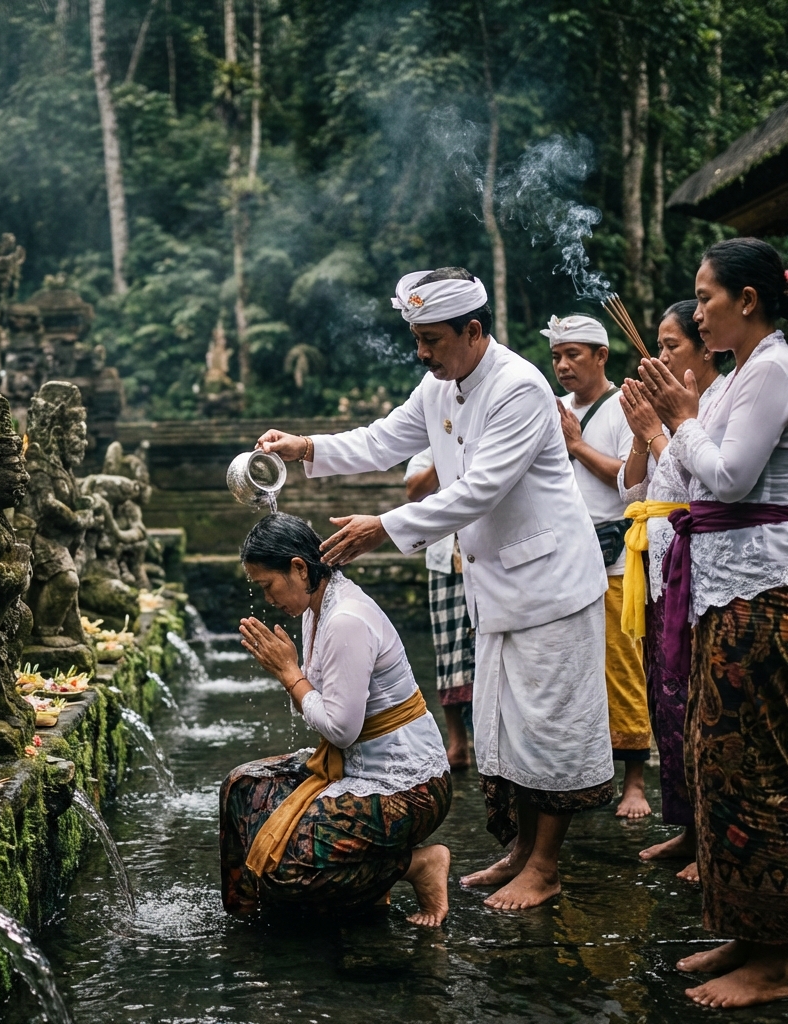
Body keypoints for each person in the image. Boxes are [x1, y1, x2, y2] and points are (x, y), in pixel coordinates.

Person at [255, 268, 613, 911]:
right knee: (506, 727)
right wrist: (306, 446)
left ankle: (547, 866)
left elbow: (479, 490)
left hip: (552, 583)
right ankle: (520, 852)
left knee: (553, 725)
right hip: (498, 585)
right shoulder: (442, 382)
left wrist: (383, 528)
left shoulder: (520, 388)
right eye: (416, 337)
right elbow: (387, 438)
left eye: (431, 339)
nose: (421, 352)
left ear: (473, 332)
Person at [639, 237, 788, 1009]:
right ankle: (746, 927)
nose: (698, 313)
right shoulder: (737, 376)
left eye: (705, 298)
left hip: (765, 588)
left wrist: (682, 417)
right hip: (722, 589)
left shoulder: (774, 368)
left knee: (756, 764)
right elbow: (682, 474)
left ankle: (777, 955)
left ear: (749, 299)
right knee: (717, 759)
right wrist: (673, 426)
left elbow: (728, 476)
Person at [220, 512, 453, 926]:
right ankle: (249, 915)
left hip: (410, 787)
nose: (268, 598)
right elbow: (320, 706)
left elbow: (341, 730)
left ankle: (418, 865)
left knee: (289, 867)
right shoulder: (315, 609)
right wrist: (292, 675)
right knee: (242, 787)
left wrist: (290, 673)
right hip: (354, 767)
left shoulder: (346, 618)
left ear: (298, 567)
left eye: (267, 586)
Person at [617, 301, 725, 882]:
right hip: (657, 565)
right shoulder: (669, 409)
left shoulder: (719, 403)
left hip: (699, 567)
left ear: (705, 348)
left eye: (670, 346)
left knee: (696, 703)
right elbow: (629, 485)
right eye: (657, 346)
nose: (659, 357)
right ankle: (687, 829)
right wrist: (644, 434)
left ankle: (711, 836)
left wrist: (660, 432)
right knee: (667, 700)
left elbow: (697, 484)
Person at [549, 314, 653, 819]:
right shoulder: (558, 408)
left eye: (574, 355)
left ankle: (635, 781)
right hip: (567, 554)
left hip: (613, 554)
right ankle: (586, 774)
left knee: (622, 665)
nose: (563, 366)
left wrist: (576, 445)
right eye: (556, 356)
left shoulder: (622, 407)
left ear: (601, 356)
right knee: (573, 669)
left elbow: (631, 479)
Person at [404, 448, 474, 768]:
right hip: (445, 561)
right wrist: (445, 457)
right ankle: (458, 742)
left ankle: (492, 739)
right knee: (448, 653)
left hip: (487, 559)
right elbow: (413, 491)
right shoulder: (429, 447)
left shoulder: (485, 433)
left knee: (489, 649)